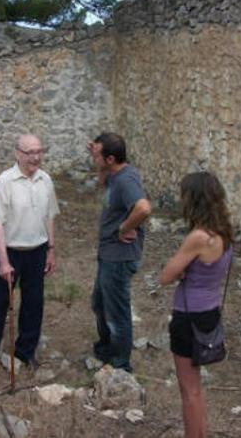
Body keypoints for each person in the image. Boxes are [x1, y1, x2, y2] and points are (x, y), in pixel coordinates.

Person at [0, 134, 59, 377]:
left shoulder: (46, 180)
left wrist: (51, 250)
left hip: (37, 250)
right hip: (9, 250)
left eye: (39, 151)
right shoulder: (5, 181)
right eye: (30, 152)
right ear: (17, 154)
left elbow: (49, 216)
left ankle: (25, 351)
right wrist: (3, 262)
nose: (36, 157)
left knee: (34, 303)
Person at [158, 171, 233, 438]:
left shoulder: (199, 237)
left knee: (188, 390)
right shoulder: (224, 232)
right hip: (210, 311)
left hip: (188, 316)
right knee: (196, 389)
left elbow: (166, 276)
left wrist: (179, 270)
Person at [87, 132, 151, 372]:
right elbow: (102, 183)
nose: (94, 157)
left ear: (111, 159)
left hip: (119, 258)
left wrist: (124, 228)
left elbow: (143, 208)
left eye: (98, 155)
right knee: (100, 303)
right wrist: (96, 156)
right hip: (109, 254)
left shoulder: (126, 180)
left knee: (116, 310)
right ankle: (107, 347)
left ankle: (121, 362)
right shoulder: (115, 173)